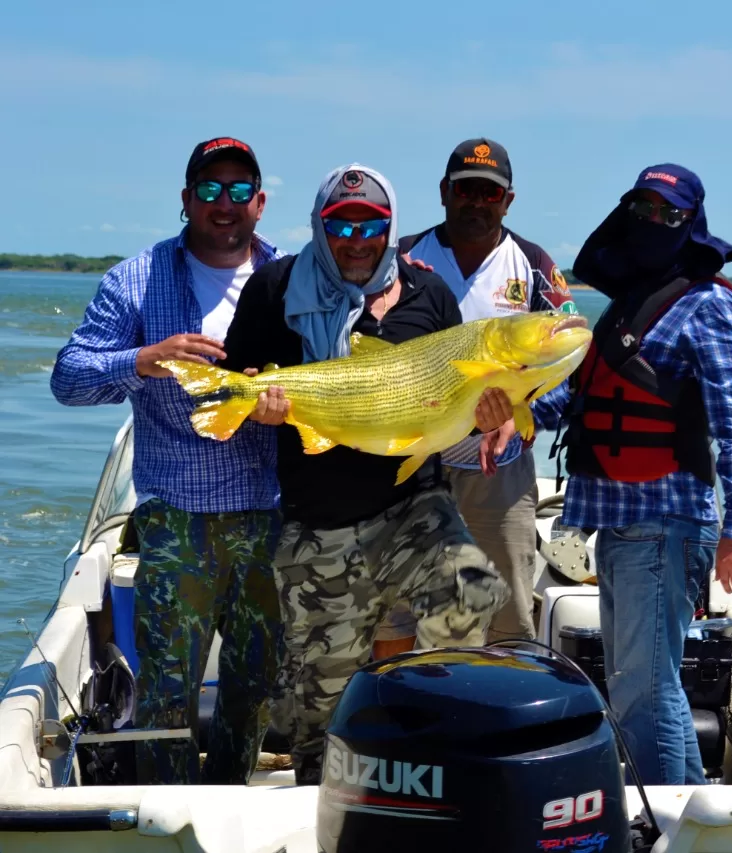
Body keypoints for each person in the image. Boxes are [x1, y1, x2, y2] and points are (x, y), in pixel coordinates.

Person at [219, 162, 511, 785]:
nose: (356, 240)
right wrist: (260, 408)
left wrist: (488, 416)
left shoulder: (429, 296)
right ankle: (325, 814)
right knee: (322, 721)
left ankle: (431, 742)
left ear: (391, 226)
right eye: (341, 225)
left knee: (474, 588)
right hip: (317, 520)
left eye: (371, 225)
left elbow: (459, 406)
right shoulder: (273, 289)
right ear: (320, 226)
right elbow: (242, 389)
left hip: (414, 505)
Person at [50, 137, 285, 785]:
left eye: (240, 190)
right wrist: (141, 359)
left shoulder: (295, 275)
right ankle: (166, 806)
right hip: (176, 519)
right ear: (186, 200)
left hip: (272, 514)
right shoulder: (133, 280)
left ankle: (231, 792)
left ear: (260, 203)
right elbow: (68, 379)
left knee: (258, 678)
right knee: (167, 686)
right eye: (209, 189)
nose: (224, 203)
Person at [530, 164, 732, 786]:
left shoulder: (706, 304)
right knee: (638, 688)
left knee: (645, 691)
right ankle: (684, 814)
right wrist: (507, 416)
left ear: (692, 224)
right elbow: (573, 398)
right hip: (616, 525)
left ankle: (670, 818)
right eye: (642, 209)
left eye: (669, 213)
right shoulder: (630, 305)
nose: (653, 223)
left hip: (665, 524)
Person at [397, 138, 577, 644]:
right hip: (414, 459)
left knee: (507, 608)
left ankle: (504, 714)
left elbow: (574, 361)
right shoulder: (403, 259)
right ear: (443, 192)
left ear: (508, 201)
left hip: (496, 472)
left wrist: (527, 412)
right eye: (465, 190)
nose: (477, 202)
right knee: (398, 605)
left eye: (489, 193)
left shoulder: (534, 266)